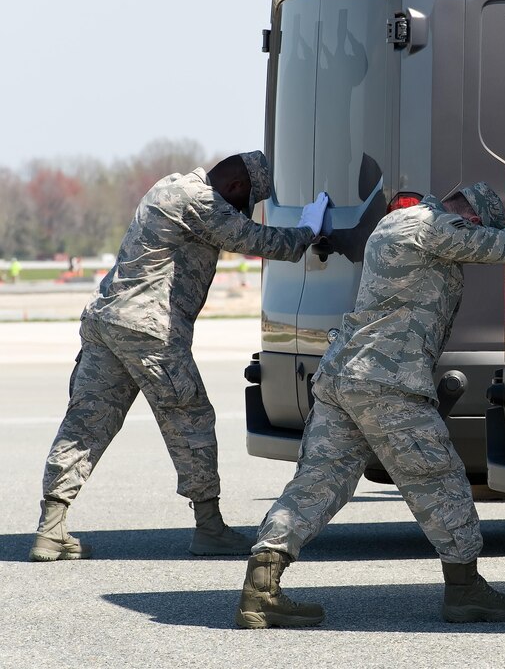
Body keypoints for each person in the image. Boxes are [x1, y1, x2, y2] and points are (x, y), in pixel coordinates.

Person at [234, 183, 505, 628]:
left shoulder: (395, 221)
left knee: (317, 482)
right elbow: (500, 246)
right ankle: (465, 590)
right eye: (475, 225)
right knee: (440, 480)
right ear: (471, 216)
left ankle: (260, 588)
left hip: (343, 375)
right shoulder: (434, 225)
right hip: (387, 381)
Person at [30, 151, 329, 562]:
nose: (240, 212)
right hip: (148, 329)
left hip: (107, 320)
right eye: (242, 205)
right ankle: (209, 528)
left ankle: (50, 528)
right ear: (237, 187)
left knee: (88, 421)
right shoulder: (201, 201)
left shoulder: (171, 185)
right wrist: (308, 229)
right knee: (190, 418)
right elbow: (260, 241)